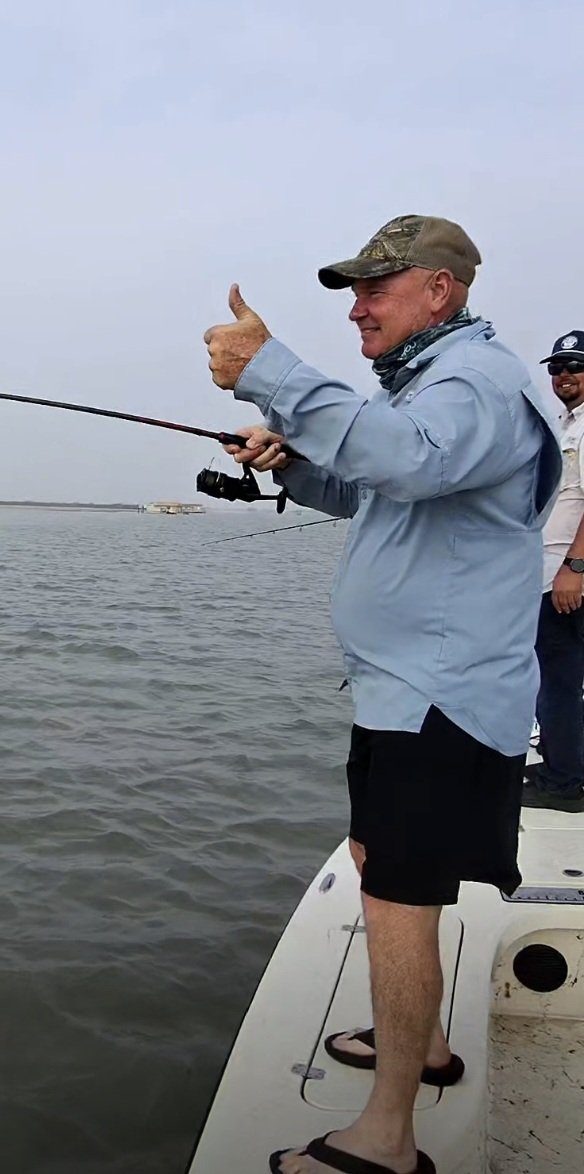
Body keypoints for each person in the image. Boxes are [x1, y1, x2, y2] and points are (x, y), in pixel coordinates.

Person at [202, 214, 561, 1174]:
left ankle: (389, 1137)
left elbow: (405, 460)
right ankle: (425, 1042)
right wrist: (301, 463)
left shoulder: (475, 382)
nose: (357, 309)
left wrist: (270, 367)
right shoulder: (436, 391)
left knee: (400, 891)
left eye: (375, 289)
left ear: (439, 291)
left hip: (440, 692)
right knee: (380, 859)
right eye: (354, 292)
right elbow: (380, 484)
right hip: (404, 691)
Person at [525, 331, 584, 812]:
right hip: (548, 575)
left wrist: (575, 568)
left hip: (567, 579)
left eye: (574, 366)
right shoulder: (566, 424)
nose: (563, 375)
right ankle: (564, 763)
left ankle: (565, 783)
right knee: (556, 675)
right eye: (556, 368)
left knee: (559, 678)